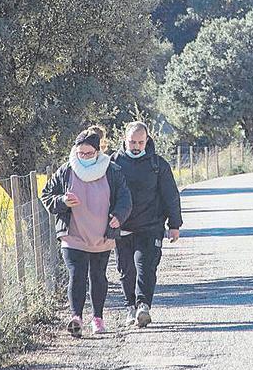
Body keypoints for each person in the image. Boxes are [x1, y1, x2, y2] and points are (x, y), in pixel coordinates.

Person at [41, 126, 131, 337]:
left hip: (102, 235)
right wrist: (62, 201)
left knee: (98, 276)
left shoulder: (112, 170)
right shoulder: (66, 170)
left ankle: (97, 318)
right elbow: (46, 196)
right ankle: (76, 318)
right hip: (73, 235)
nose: (84, 157)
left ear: (98, 152)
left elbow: (125, 199)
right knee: (76, 275)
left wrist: (119, 215)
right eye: (81, 153)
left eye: (89, 153)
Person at [112, 121, 182, 328]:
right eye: (132, 141)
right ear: (125, 140)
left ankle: (143, 306)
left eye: (140, 142)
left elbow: (171, 195)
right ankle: (130, 308)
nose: (136, 146)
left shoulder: (158, 165)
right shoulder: (113, 163)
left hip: (151, 227)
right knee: (126, 270)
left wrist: (175, 224)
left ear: (147, 140)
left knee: (146, 267)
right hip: (122, 227)